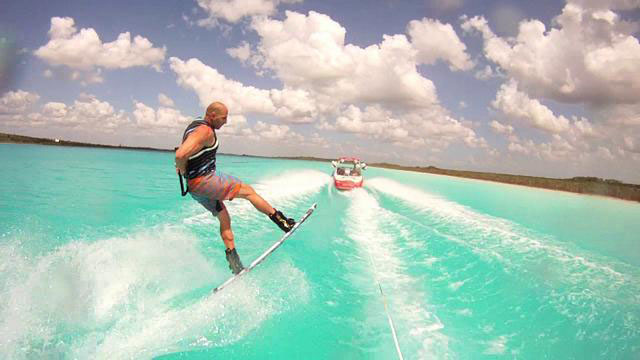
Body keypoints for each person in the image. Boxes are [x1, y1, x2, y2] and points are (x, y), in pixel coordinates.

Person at [175, 101, 296, 275]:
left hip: (194, 187)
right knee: (248, 192)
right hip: (206, 181)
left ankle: (234, 262)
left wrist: (183, 169)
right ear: (212, 115)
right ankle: (284, 223)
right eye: (224, 118)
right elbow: (180, 154)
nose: (226, 122)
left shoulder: (194, 125)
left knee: (223, 217)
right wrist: (181, 165)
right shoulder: (205, 130)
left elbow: (186, 154)